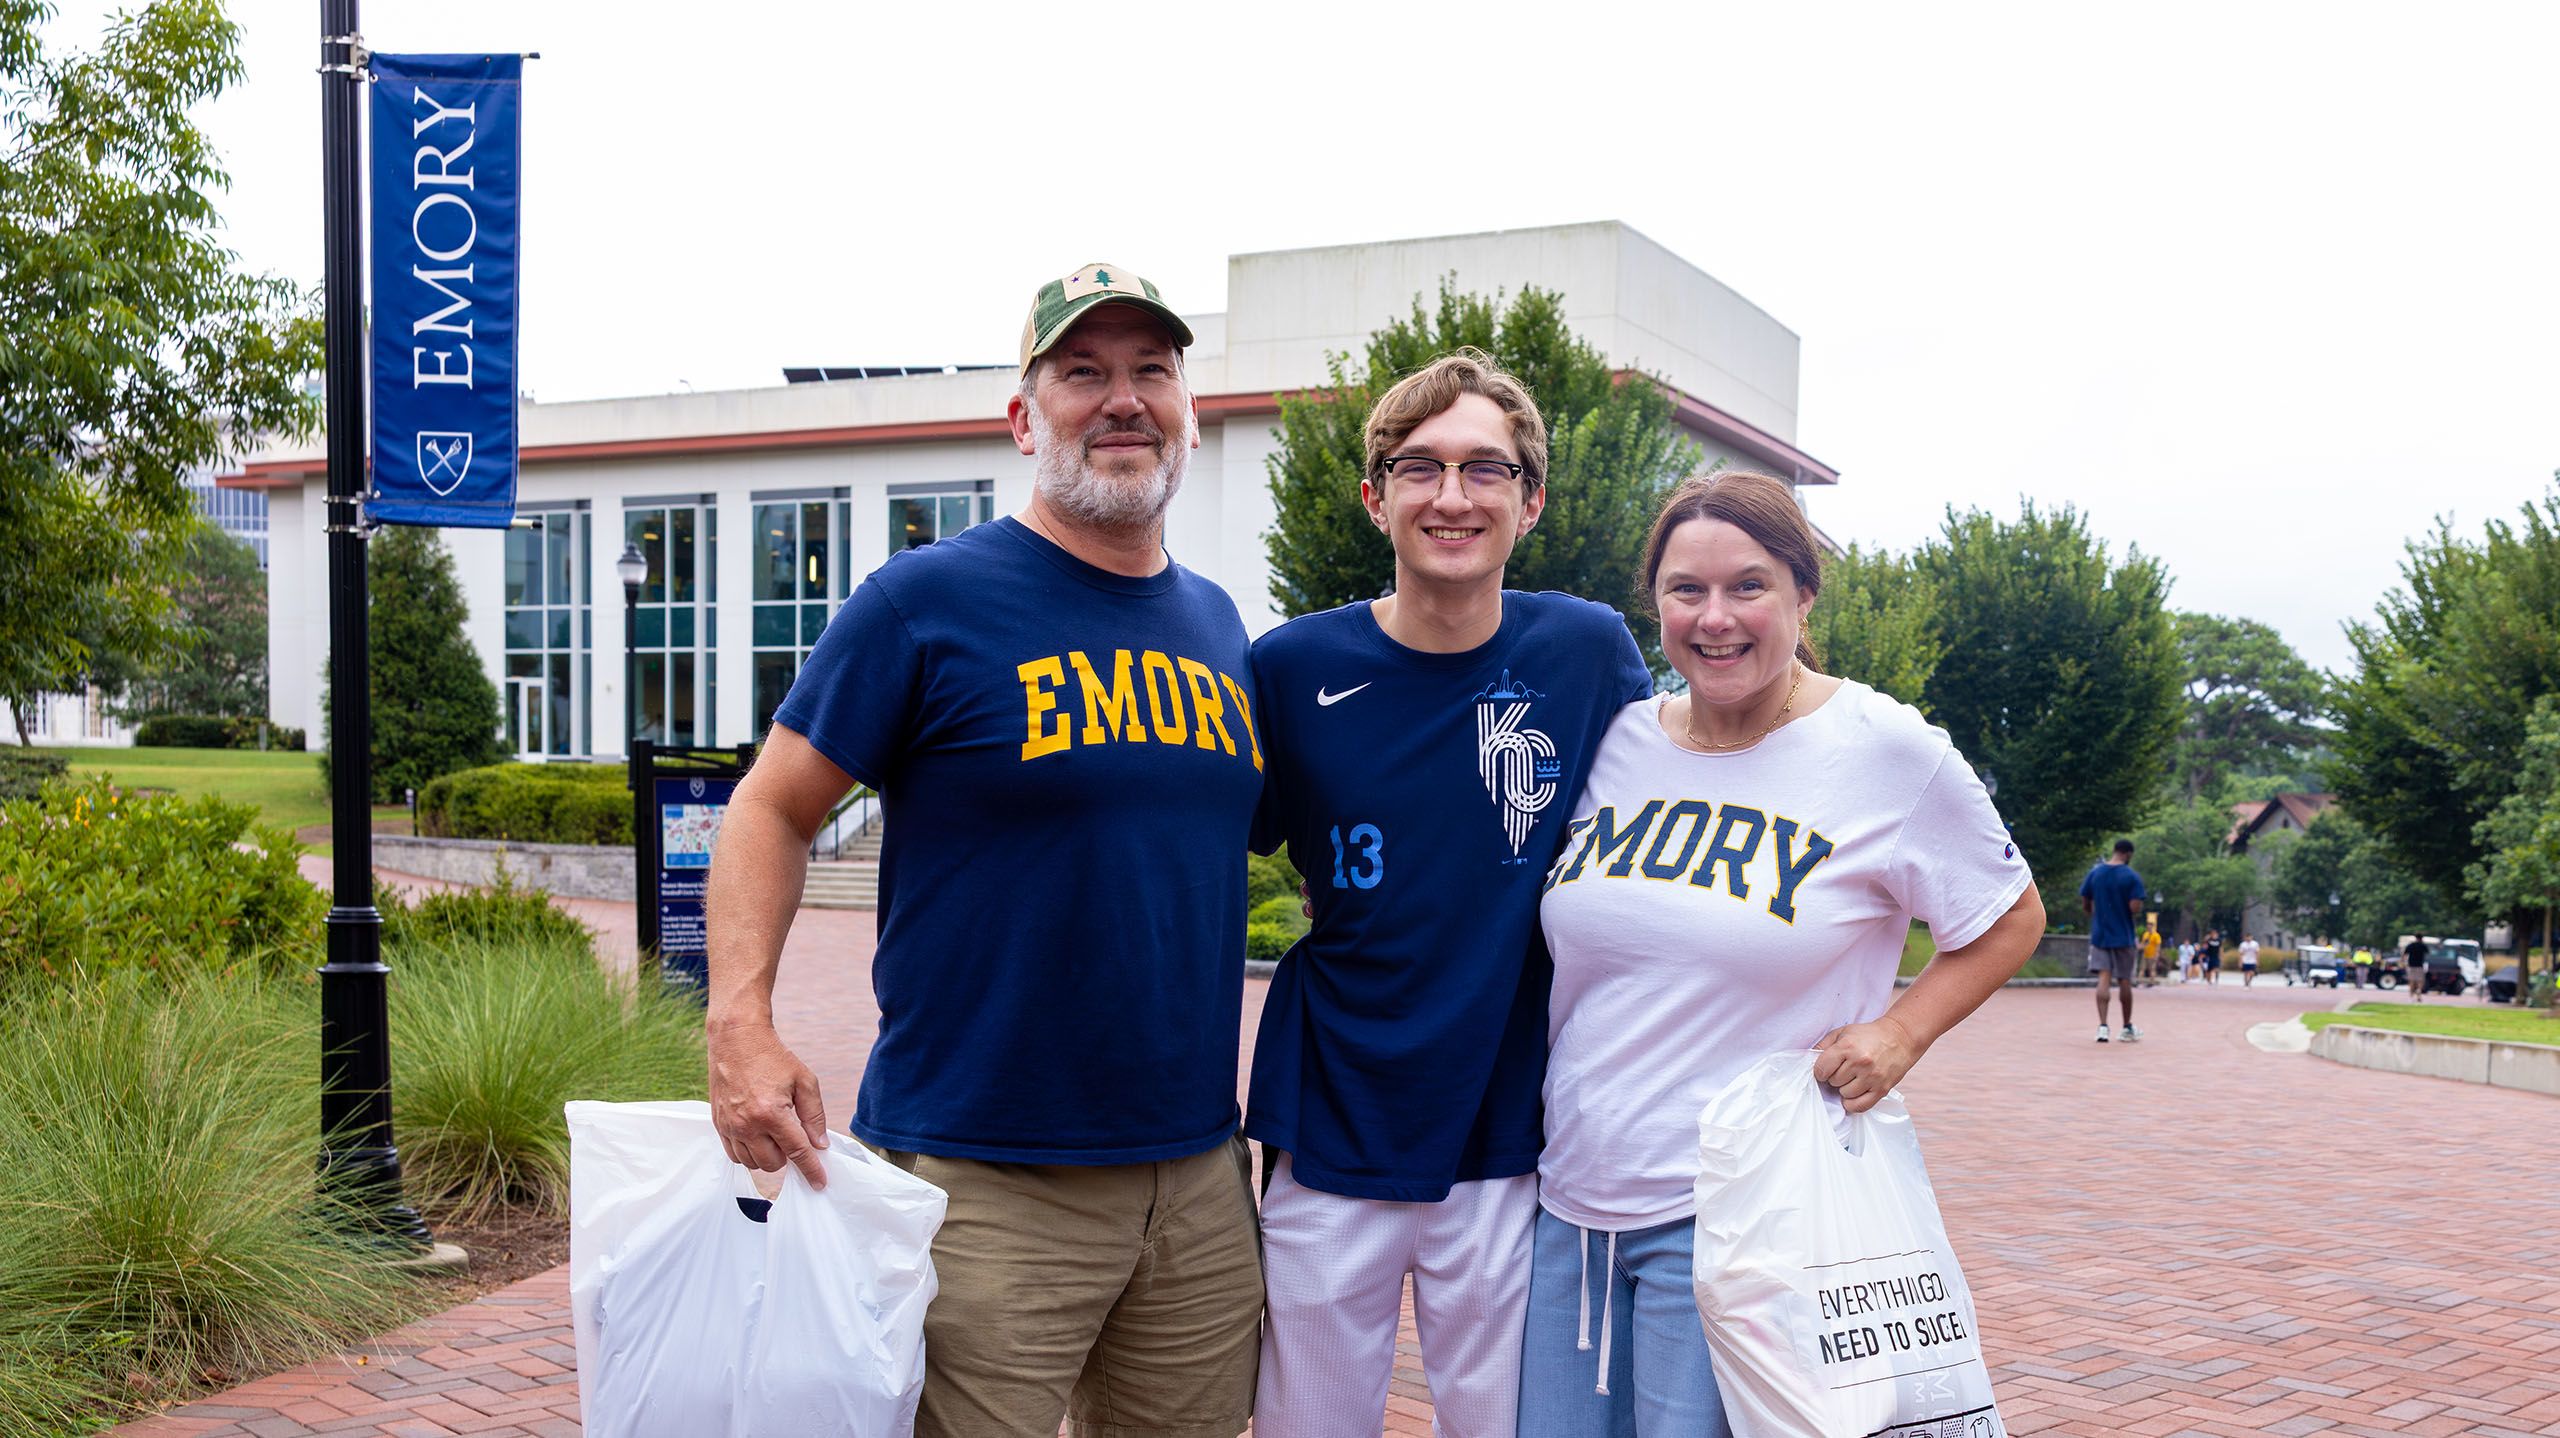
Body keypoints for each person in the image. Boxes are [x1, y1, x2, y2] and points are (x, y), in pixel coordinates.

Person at [701, 263, 1265, 1438]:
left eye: (1150, 371)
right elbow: (770, 808)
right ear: (1022, 418)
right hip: (984, 1177)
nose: (1122, 399)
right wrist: (740, 1021)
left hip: (1199, 1180)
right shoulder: (923, 601)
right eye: (1081, 373)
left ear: (1188, 415)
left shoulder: (1220, 626)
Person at [1522, 471, 2045, 1432]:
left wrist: (1901, 1034)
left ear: (1804, 595)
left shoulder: (1887, 751)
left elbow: (2009, 916)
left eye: (1748, 586)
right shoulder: (1621, 743)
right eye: (1687, 590)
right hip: (1571, 1210)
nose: (1715, 618)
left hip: (1742, 1220)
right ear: (1658, 604)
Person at [1244, 350, 1652, 1436]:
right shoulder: (1287, 668)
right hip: (1333, 1115)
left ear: (1532, 499)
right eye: (1419, 467)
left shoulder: (1587, 650)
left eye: (1486, 468)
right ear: (1376, 496)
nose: (1453, 495)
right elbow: (1186, 840)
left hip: (1515, 1128)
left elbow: (1692, 787)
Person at [2080, 839, 2146, 1041]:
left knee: (2103, 978)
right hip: (2123, 936)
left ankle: (2102, 1026)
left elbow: (2086, 903)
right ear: (2128, 854)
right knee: (2124, 980)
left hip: (2100, 935)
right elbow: (2134, 907)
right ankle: (2126, 1027)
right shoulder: (2131, 877)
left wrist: (2096, 915)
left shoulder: (2095, 873)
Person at [2403, 934, 2430, 1001]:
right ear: (2422, 938)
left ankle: (2411, 994)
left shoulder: (2411, 945)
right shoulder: (2423, 946)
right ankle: (2419, 990)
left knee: (2411, 980)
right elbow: (2428, 953)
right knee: (2420, 981)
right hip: (2420, 966)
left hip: (2411, 965)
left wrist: (2404, 962)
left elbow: (2405, 954)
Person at [2140, 920, 2164, 985]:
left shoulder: (2156, 935)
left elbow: (2158, 945)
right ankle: (2140, 982)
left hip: (2152, 955)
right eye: (2148, 925)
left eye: (2150, 925)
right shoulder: (2145, 934)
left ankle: (2151, 982)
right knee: (2142, 968)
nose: (2148, 926)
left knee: (2152, 969)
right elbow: (2143, 943)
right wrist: (2140, 947)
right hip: (2145, 954)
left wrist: (2157, 954)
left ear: (2152, 926)